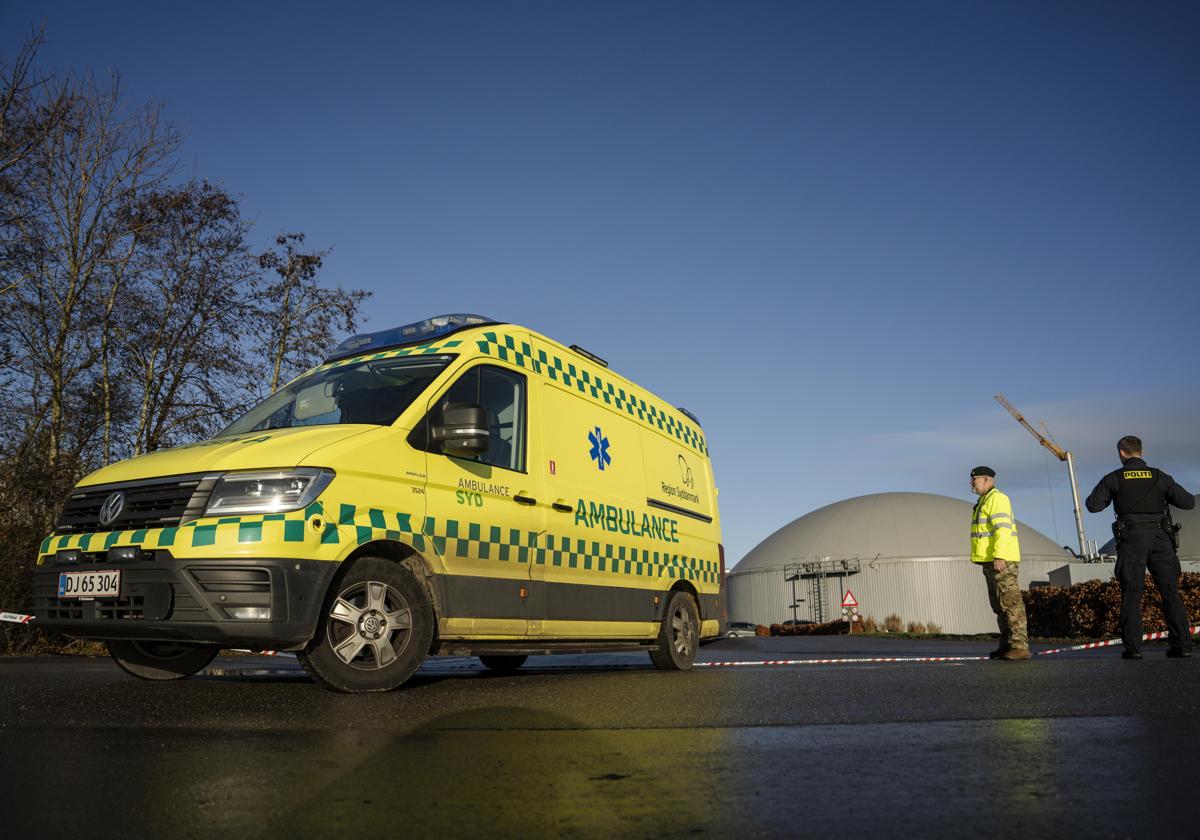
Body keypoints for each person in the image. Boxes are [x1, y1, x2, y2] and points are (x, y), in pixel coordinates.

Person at [1086, 435, 1195, 659]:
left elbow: (1093, 506)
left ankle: (1134, 649)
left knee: (1132, 594)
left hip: (1132, 538)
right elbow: (1188, 502)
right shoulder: (1159, 476)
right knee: (1170, 592)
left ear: (1121, 453)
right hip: (1160, 538)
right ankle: (1182, 645)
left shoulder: (1113, 478)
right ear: (1141, 452)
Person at [970, 466, 1030, 660]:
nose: (972, 483)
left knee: (1011, 603)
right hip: (990, 561)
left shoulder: (997, 499)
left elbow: (1003, 529)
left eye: (975, 479)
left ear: (987, 480)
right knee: (999, 605)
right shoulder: (984, 501)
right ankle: (1006, 645)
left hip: (1001, 560)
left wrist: (1000, 556)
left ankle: (1020, 646)